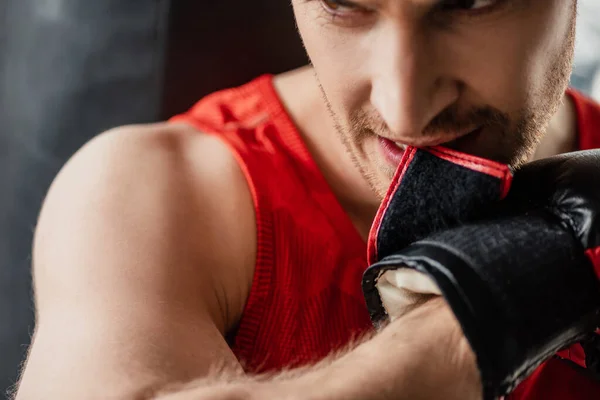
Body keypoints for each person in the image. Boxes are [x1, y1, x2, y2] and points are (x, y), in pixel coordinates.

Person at [14, 1, 600, 399]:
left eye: (470, 1)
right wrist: (474, 317)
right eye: (343, 1)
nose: (405, 111)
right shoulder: (154, 195)